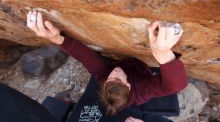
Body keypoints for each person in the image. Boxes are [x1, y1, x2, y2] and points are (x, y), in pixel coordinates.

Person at [26, 10, 188, 117]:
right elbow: (174, 86)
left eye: (110, 79)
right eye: (118, 79)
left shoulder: (105, 77)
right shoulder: (142, 90)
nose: (114, 72)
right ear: (129, 85)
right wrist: (163, 53)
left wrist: (55, 38)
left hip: (126, 65)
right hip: (139, 68)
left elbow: (85, 57)